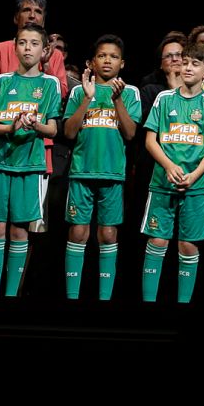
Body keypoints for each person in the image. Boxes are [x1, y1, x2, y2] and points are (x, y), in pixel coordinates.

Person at [0, 23, 61, 297]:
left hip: (30, 166)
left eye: (34, 44)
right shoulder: (2, 81)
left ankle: (11, 297)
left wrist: (35, 125)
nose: (27, 48)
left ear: (44, 50)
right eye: (23, 43)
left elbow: (53, 129)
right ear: (15, 46)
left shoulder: (50, 84)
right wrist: (10, 127)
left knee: (20, 231)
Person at [60, 34, 140, 302]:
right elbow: (69, 133)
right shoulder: (78, 90)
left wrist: (117, 101)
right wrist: (86, 98)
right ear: (91, 62)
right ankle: (72, 297)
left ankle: (104, 299)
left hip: (113, 174)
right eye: (102, 55)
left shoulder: (130, 92)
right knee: (79, 232)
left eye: (114, 56)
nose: (108, 60)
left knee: (107, 234)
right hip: (81, 172)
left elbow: (130, 133)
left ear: (122, 63)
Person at [140, 50, 204, 304]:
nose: (187, 67)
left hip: (196, 186)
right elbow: (150, 140)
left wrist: (196, 175)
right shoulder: (164, 99)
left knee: (188, 246)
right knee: (157, 241)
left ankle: (183, 307)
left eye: (195, 64)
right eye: (185, 62)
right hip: (162, 183)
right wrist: (167, 165)